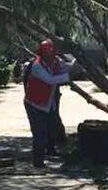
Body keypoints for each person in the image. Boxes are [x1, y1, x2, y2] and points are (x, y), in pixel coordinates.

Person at [23, 40, 72, 168]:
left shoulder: (55, 62)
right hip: (34, 104)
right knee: (39, 134)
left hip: (48, 104)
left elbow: (67, 66)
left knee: (53, 129)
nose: (51, 58)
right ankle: (38, 163)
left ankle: (51, 150)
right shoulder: (37, 66)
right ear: (42, 55)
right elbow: (50, 80)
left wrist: (74, 63)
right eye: (48, 55)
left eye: (52, 55)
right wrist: (67, 76)